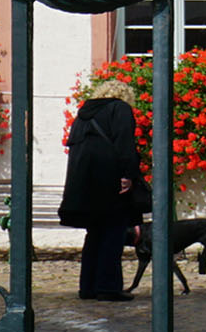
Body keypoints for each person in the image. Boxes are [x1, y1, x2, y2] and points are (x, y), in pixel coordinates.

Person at [59, 77, 150, 302]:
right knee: (113, 233)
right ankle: (108, 287)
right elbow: (124, 143)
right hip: (110, 180)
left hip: (85, 183)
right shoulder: (119, 109)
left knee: (95, 235)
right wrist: (128, 174)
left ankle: (88, 287)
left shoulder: (83, 115)